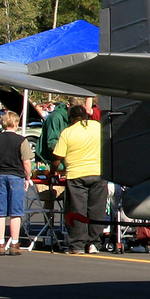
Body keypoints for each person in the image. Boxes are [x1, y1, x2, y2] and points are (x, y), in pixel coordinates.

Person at [52, 103, 107, 255]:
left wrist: (52, 171)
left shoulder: (68, 132)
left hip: (76, 174)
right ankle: (94, 243)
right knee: (96, 209)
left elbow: (58, 157)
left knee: (77, 210)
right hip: (99, 172)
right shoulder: (98, 126)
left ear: (71, 118)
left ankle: (77, 245)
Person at [0, 110, 32, 255]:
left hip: (0, 175)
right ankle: (14, 243)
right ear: (16, 124)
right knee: (15, 211)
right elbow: (26, 162)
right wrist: (27, 177)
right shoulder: (21, 140)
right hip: (16, 176)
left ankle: (0, 243)